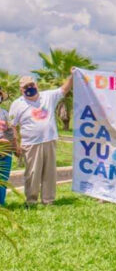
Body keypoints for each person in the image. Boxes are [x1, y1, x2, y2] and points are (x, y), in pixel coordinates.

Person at [9, 74, 73, 205]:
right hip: (30, 144)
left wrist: (72, 76)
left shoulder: (48, 96)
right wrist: (16, 145)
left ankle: (48, 200)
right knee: (32, 174)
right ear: (21, 90)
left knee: (50, 173)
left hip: (49, 141)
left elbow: (64, 89)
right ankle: (31, 201)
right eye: (26, 87)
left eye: (32, 85)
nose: (30, 88)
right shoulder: (17, 104)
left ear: (36, 84)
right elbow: (12, 126)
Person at [0, 87, 17, 206]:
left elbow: (11, 132)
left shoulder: (5, 113)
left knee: (3, 179)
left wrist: (14, 145)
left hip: (5, 151)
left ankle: (1, 204)